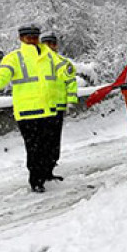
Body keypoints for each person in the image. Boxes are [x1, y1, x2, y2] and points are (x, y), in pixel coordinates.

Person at [0, 24, 68, 192]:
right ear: (21, 39)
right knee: (34, 147)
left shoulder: (50, 57)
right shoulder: (15, 58)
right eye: (28, 37)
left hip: (49, 110)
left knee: (50, 146)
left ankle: (47, 172)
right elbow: (2, 74)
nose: (32, 41)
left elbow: (65, 73)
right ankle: (36, 181)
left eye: (35, 37)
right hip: (27, 112)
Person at [41, 31, 78, 180]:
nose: (50, 46)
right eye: (46, 43)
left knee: (53, 142)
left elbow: (71, 83)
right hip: (40, 109)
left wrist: (71, 102)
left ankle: (49, 170)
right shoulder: (34, 64)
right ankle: (40, 173)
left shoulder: (63, 63)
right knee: (41, 143)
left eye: (52, 43)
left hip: (57, 108)